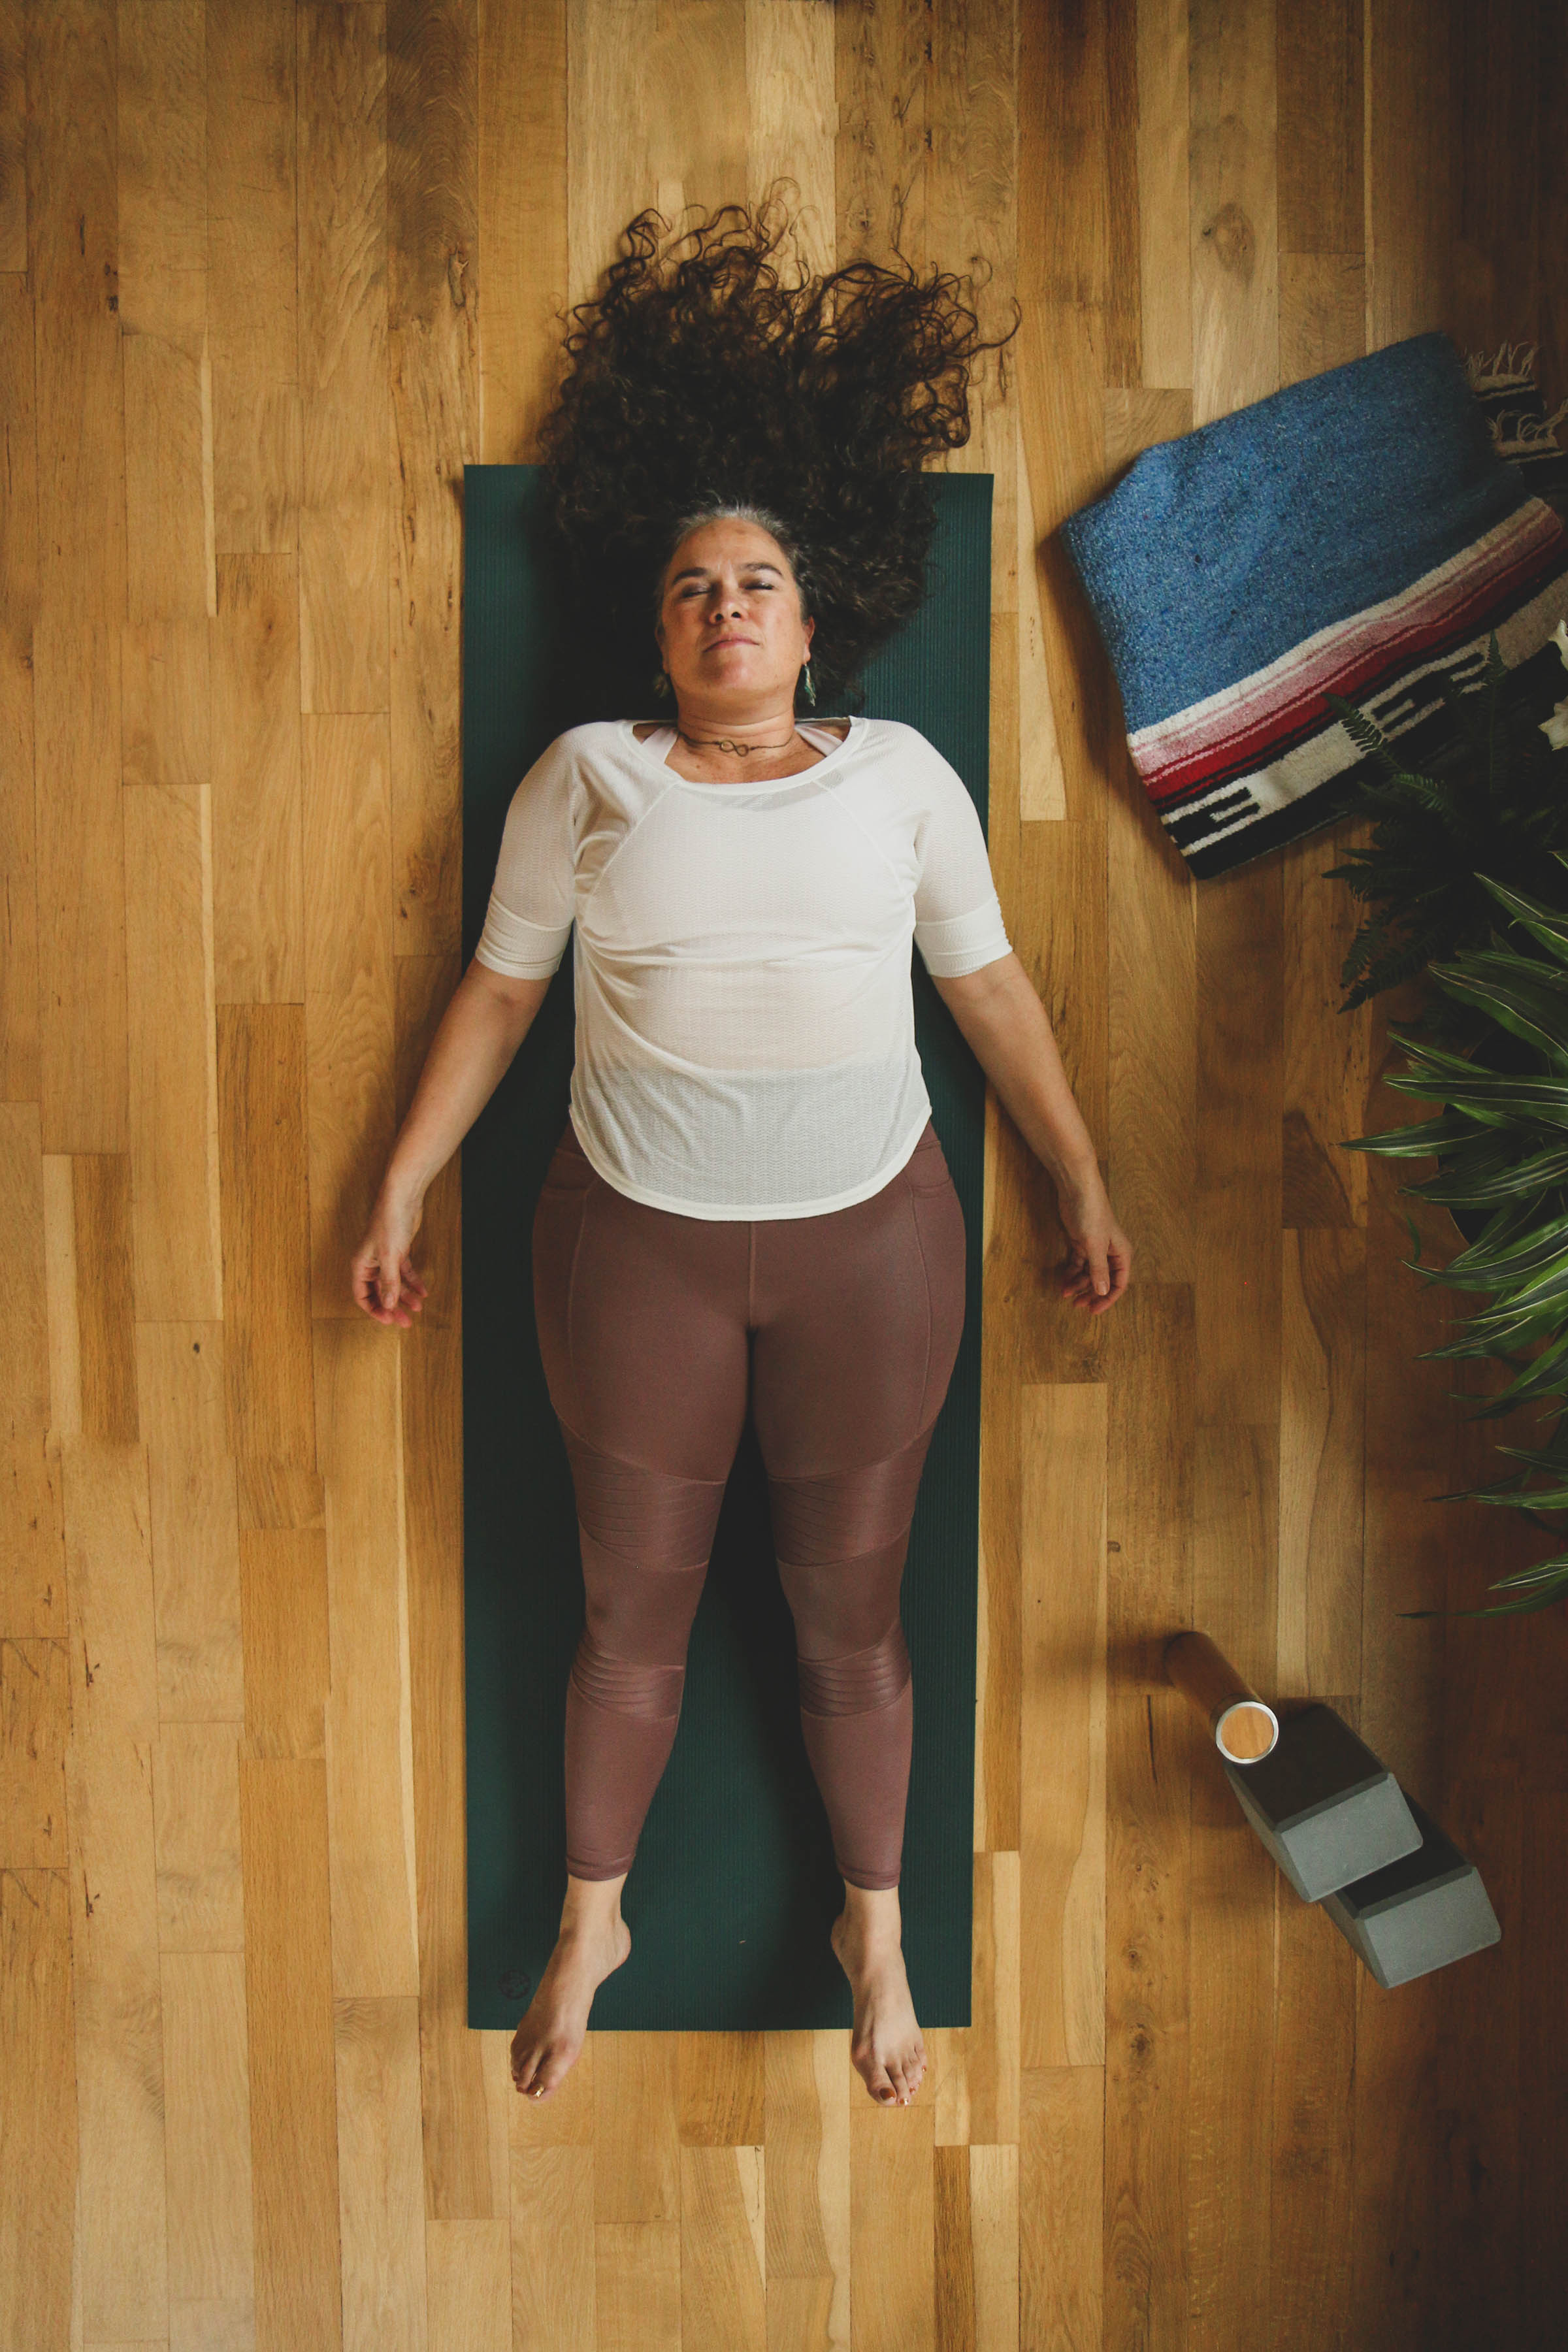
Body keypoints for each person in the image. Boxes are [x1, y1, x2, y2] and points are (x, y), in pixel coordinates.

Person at [351, 200, 1131, 2113]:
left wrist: (1080, 1181)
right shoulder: (586, 780)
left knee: (843, 1613)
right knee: (636, 1607)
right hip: (639, 1253)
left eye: (758, 580)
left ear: (814, 611)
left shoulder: (902, 781)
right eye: (697, 584)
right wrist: (395, 1183)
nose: (726, 605)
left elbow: (1000, 997)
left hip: (878, 1241)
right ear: (660, 625)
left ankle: (876, 1922)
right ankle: (591, 1920)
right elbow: (494, 998)